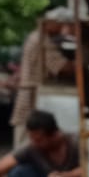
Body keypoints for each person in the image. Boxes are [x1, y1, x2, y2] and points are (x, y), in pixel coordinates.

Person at [10, 10, 75, 145]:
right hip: (31, 94)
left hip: (29, 92)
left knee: (26, 137)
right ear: (53, 23)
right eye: (62, 25)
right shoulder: (42, 40)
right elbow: (61, 66)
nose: (63, 30)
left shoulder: (36, 36)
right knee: (26, 142)